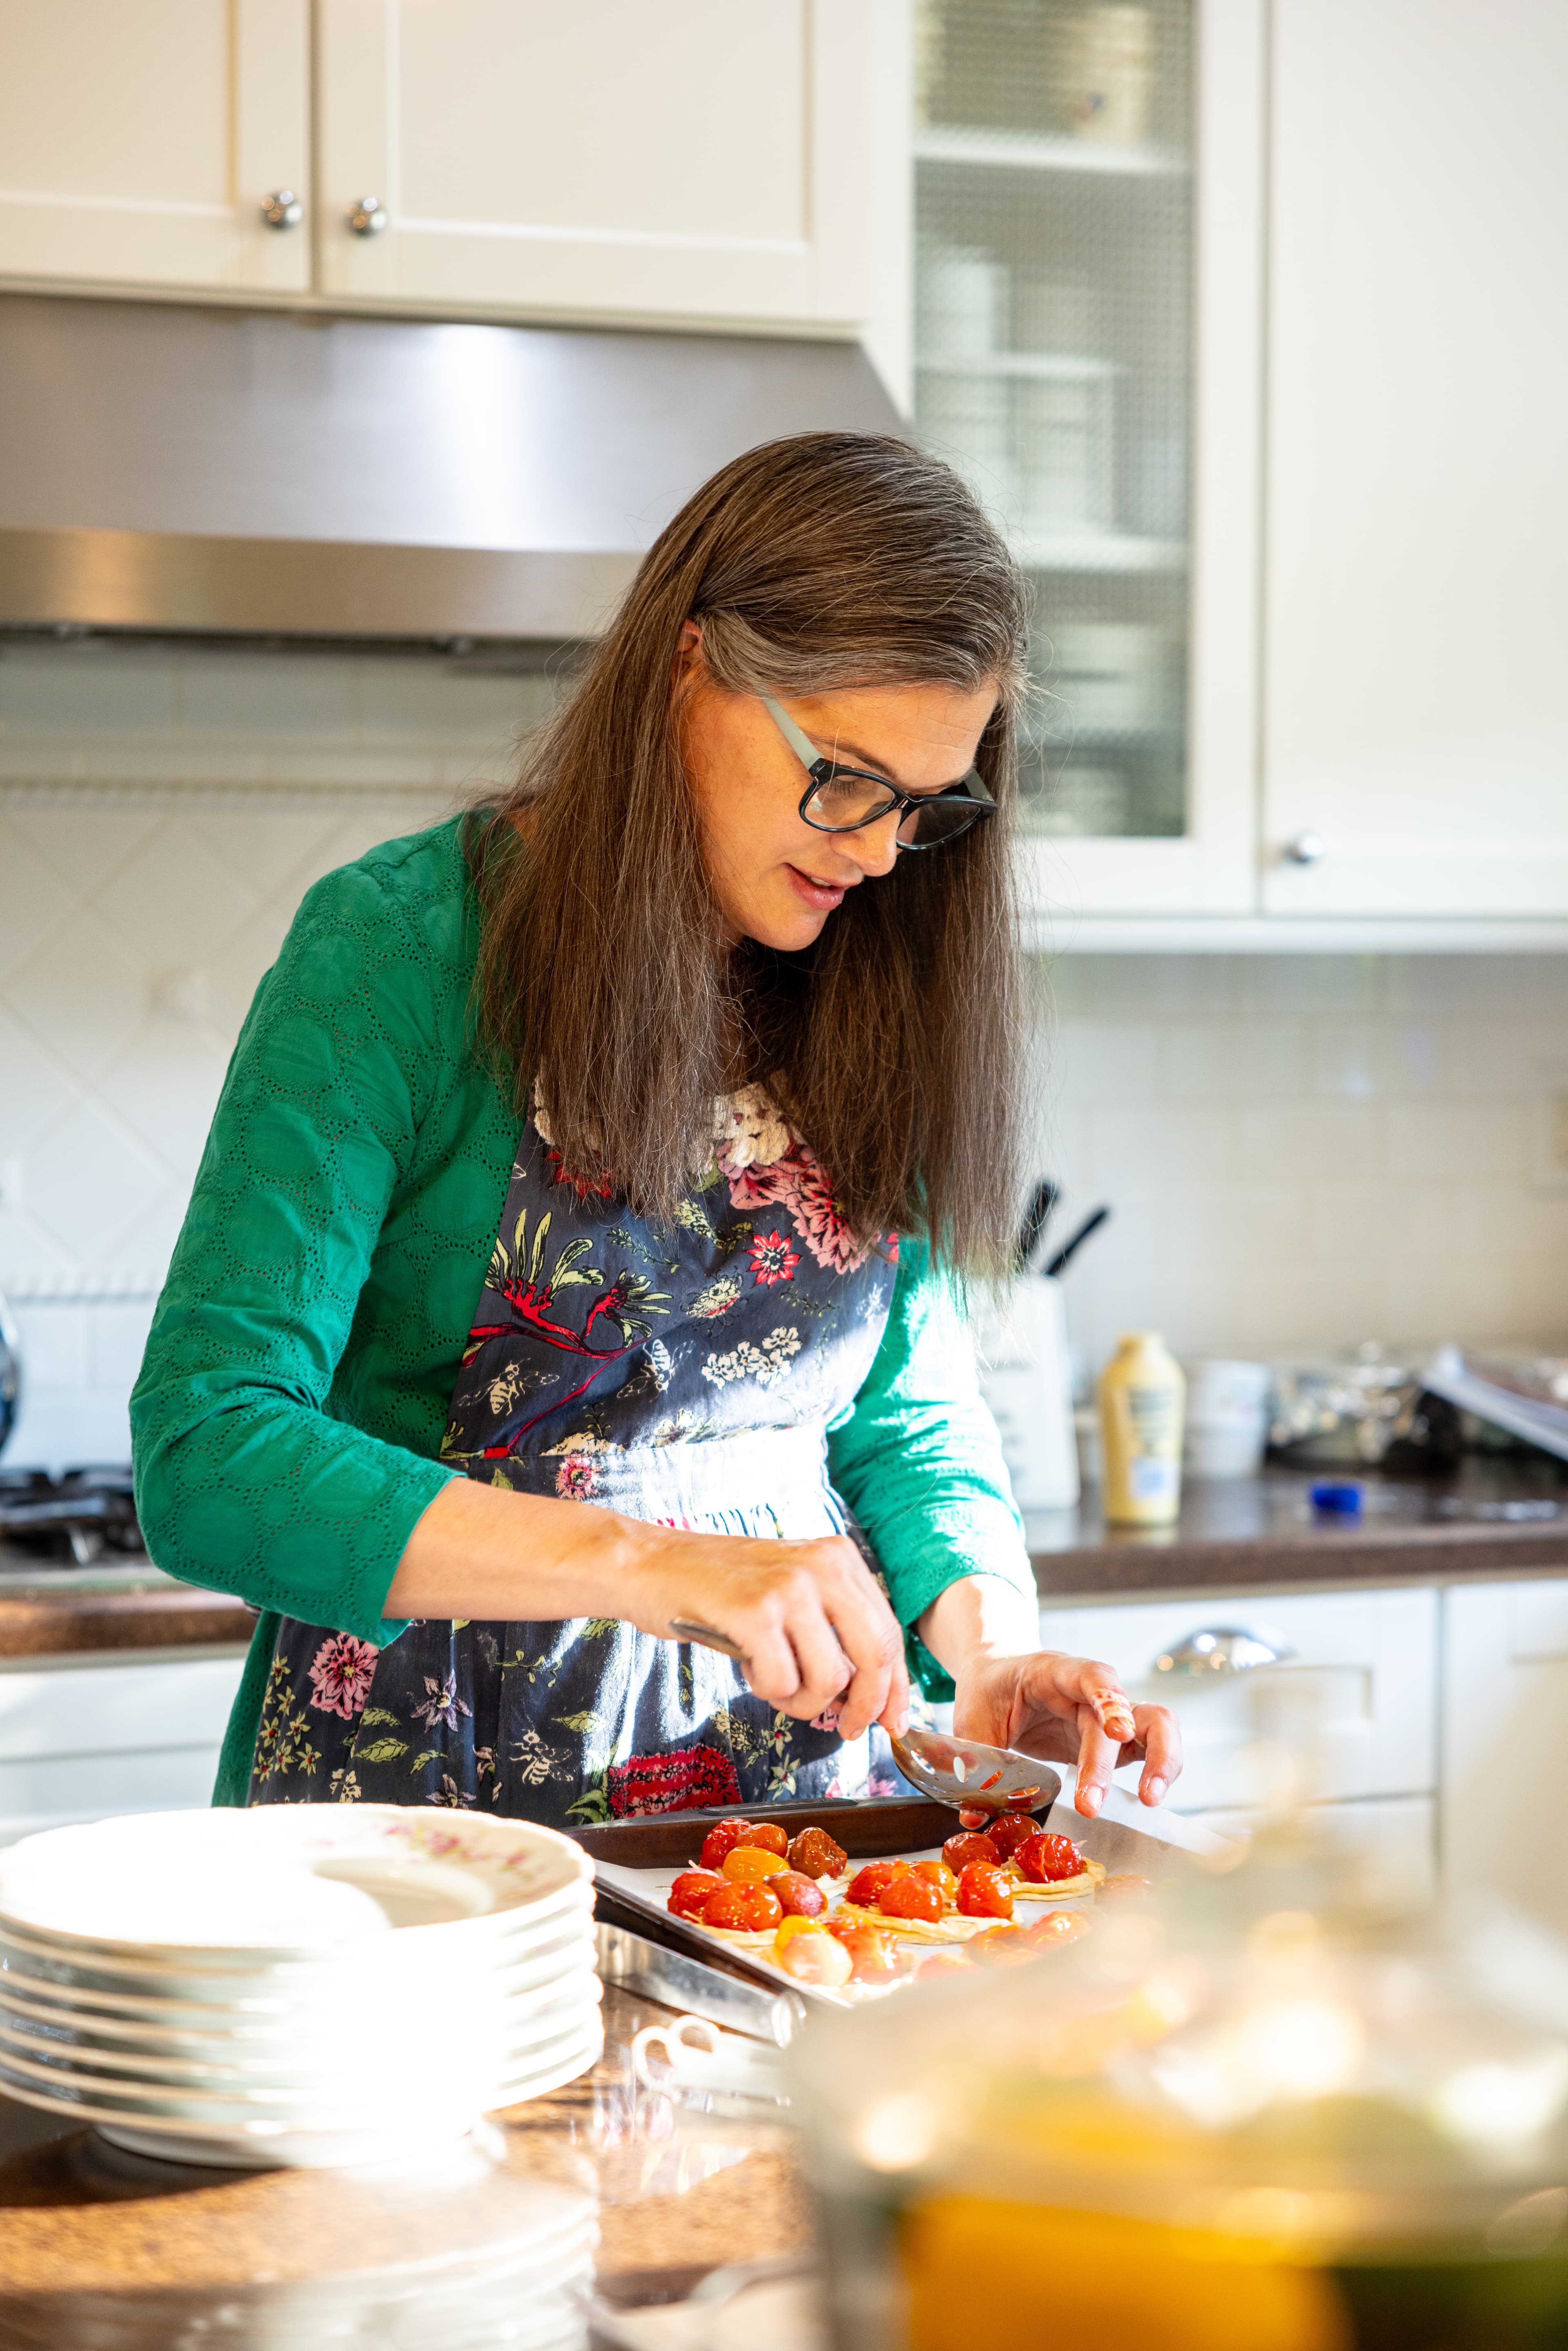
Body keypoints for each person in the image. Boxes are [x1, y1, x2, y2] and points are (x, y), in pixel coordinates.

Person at [131, 430, 1180, 1831]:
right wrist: (657, 1563)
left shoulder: (877, 974)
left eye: (925, 807)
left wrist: (985, 1653)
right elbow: (210, 1452)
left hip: (795, 1836)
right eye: (848, 778)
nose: (875, 853)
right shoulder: (401, 950)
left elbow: (907, 1414)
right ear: (691, 664)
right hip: (427, 1832)